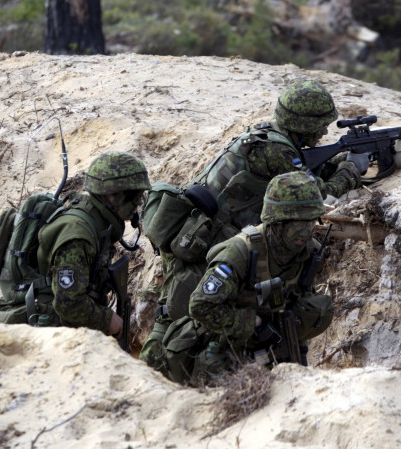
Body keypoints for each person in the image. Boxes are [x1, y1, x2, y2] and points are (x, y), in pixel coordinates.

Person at [140, 79, 363, 367]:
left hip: (203, 235)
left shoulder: (269, 135)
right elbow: (314, 194)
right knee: (181, 317)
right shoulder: (276, 151)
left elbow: (307, 171)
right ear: (301, 124)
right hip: (205, 245)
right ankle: (153, 373)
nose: (324, 131)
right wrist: (351, 170)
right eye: (320, 124)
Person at [148, 171, 333, 385]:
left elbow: (298, 300)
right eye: (298, 224)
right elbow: (200, 306)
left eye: (311, 222)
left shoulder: (308, 251)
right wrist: (252, 323)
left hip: (268, 343)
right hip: (221, 343)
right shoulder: (241, 251)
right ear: (277, 221)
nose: (306, 231)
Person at [35, 151, 150, 336]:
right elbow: (68, 304)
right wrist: (105, 319)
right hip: (41, 331)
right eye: (134, 197)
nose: (138, 204)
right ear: (112, 195)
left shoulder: (98, 223)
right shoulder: (79, 237)